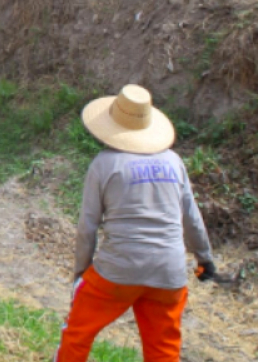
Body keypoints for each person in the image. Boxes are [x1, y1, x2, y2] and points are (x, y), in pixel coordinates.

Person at [54, 84, 216, 362]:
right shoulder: (174, 162)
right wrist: (204, 257)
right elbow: (191, 216)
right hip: (169, 272)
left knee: (77, 334)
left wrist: (81, 273)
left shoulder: (104, 164)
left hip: (117, 270)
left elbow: (87, 228)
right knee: (163, 350)